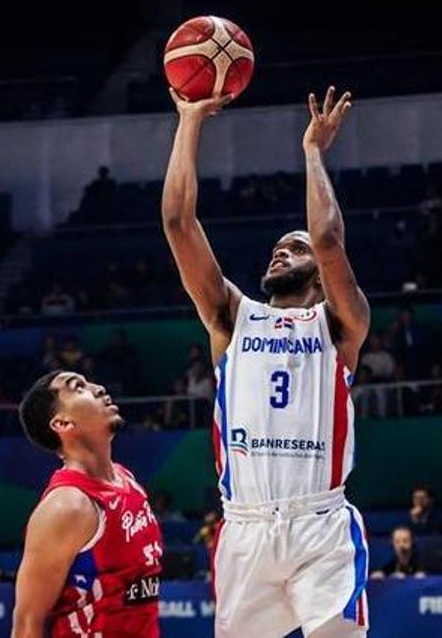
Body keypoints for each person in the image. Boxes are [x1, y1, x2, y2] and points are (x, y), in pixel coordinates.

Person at [162, 84, 371, 637]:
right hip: (245, 528)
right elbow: (179, 223)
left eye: (293, 247)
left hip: (320, 523)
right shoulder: (232, 317)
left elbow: (326, 236)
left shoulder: (338, 323)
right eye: (278, 246)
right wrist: (190, 119)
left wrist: (311, 152)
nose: (283, 250)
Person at [12, 370, 162, 638]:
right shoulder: (67, 506)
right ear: (63, 423)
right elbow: (27, 623)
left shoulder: (127, 480)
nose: (99, 388)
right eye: (78, 387)